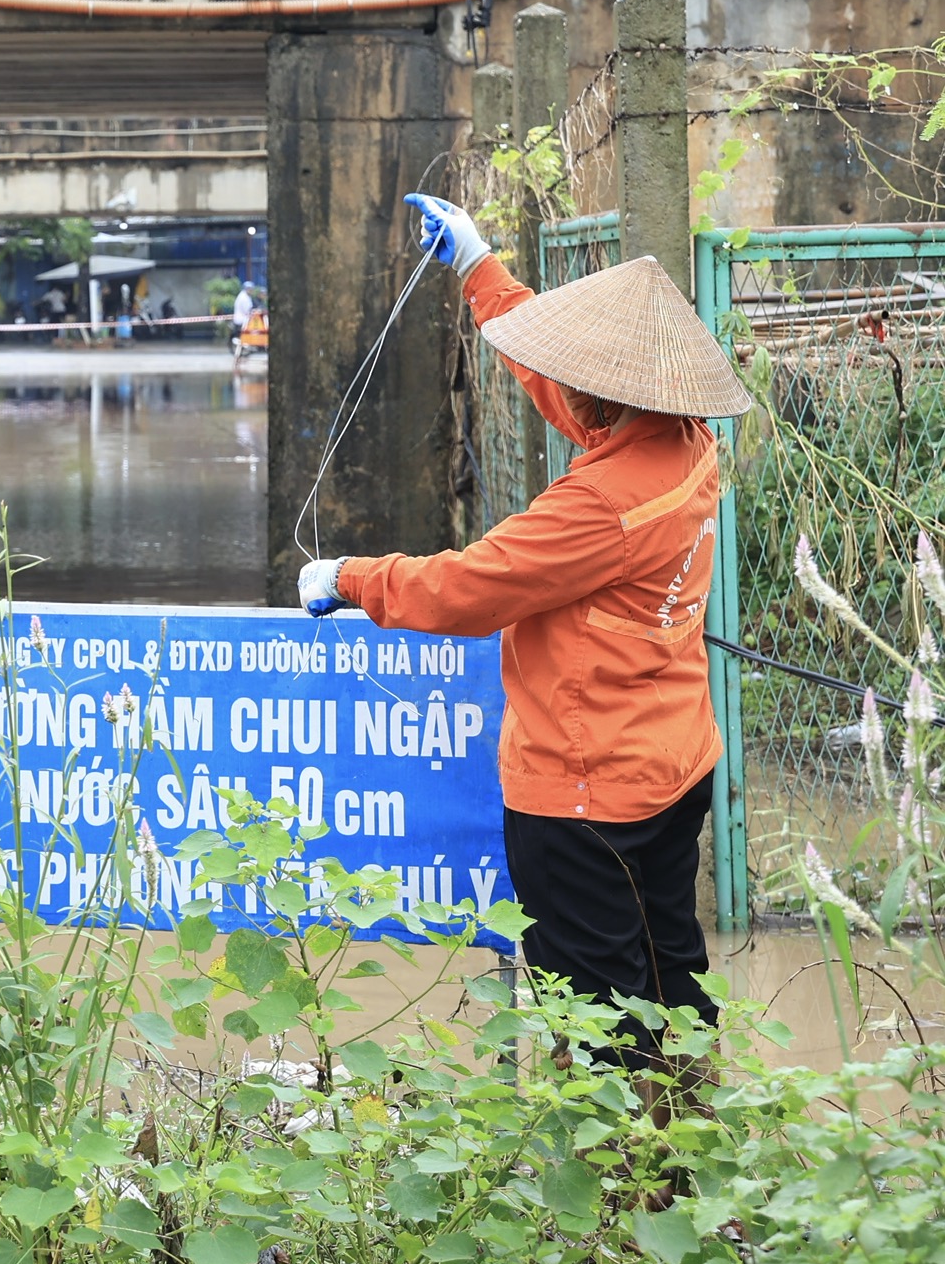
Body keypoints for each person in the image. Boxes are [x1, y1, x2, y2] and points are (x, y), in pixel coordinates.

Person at [298, 193, 751, 1072]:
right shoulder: (684, 440)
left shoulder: (597, 506)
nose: (564, 382)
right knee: (672, 979)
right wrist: (480, 270)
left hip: (585, 796)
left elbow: (469, 587)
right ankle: (698, 1152)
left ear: (608, 387)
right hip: (672, 763)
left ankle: (624, 1189)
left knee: (596, 1014)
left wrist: (352, 578)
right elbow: (576, 398)